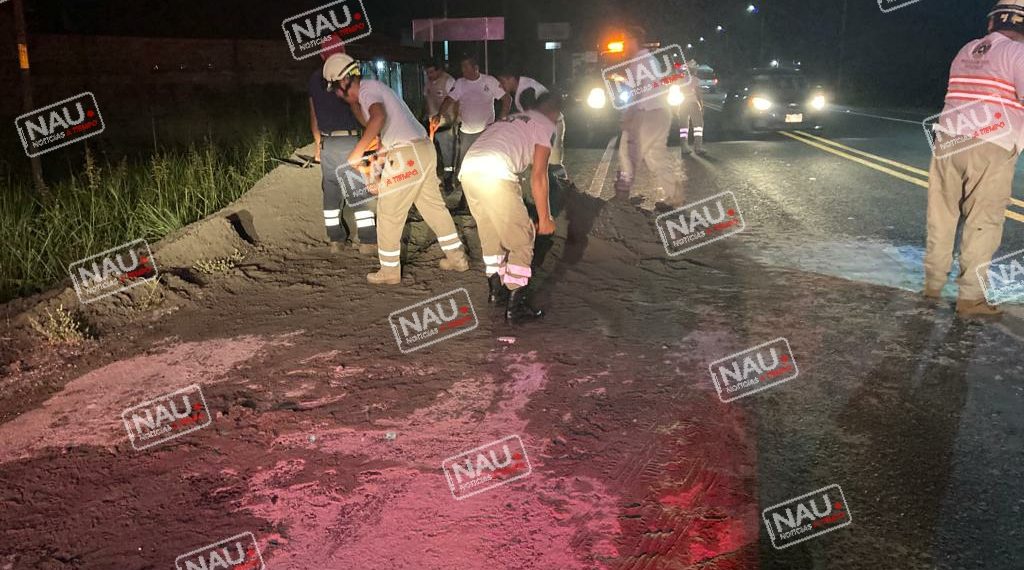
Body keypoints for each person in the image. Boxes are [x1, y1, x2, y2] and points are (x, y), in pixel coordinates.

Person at [323, 53, 469, 285]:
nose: (339, 97)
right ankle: (457, 257)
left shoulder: (367, 90)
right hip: (423, 150)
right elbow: (376, 127)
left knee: (389, 213)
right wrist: (377, 170)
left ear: (341, 82)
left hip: (407, 154)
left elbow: (377, 118)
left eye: (337, 91)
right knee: (434, 208)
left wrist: (357, 153)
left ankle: (389, 270)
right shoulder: (373, 90)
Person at [924, 0, 1024, 317]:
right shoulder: (1018, 54)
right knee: (983, 220)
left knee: (942, 215)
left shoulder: (966, 50)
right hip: (991, 142)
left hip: (948, 140)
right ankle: (970, 299)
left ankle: (932, 286)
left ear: (992, 22)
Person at [458, 92, 562, 324]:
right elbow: (539, 176)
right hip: (496, 172)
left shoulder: (513, 119)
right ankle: (516, 308)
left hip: (469, 171)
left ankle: (497, 293)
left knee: (491, 234)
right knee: (522, 239)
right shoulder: (545, 125)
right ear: (554, 112)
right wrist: (545, 218)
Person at [308, 35, 376, 254]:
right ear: (344, 51)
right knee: (357, 191)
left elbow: (314, 116)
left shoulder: (314, 79)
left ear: (321, 55)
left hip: (328, 142)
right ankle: (367, 241)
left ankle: (335, 240)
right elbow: (361, 105)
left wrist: (318, 144)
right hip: (350, 141)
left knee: (331, 192)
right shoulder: (351, 75)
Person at [613, 27, 684, 211]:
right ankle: (673, 196)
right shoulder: (650, 59)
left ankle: (622, 194)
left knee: (627, 151)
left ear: (633, 40)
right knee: (655, 157)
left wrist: (628, 117)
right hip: (661, 113)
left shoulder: (639, 60)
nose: (624, 45)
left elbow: (638, 93)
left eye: (625, 40)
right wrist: (622, 79)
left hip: (649, 113)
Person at [430, 55, 511, 178]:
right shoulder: (460, 83)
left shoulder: (489, 81)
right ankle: (464, 191)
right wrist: (439, 114)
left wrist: (501, 120)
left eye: (466, 67)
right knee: (465, 163)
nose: (463, 71)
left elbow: (507, 99)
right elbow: (449, 100)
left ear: (476, 68)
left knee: (486, 161)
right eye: (462, 67)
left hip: (486, 130)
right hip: (466, 131)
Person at [496, 70, 570, 184]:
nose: (500, 85)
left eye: (502, 81)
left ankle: (564, 190)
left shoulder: (525, 92)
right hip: (549, 123)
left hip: (551, 125)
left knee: (552, 162)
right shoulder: (524, 85)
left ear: (511, 79)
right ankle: (553, 189)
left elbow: (533, 118)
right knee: (543, 162)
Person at [423, 60, 457, 185]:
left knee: (447, 151)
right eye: (427, 72)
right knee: (433, 151)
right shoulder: (428, 84)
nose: (429, 75)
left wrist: (453, 120)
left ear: (439, 70)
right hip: (432, 123)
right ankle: (436, 175)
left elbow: (455, 101)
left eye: (432, 72)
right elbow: (427, 100)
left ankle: (449, 178)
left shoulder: (449, 81)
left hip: (446, 123)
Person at [678, 58, 706, 156]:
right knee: (698, 125)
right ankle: (697, 147)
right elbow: (698, 94)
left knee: (684, 126)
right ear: (693, 70)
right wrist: (701, 105)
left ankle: (684, 146)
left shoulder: (680, 80)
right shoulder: (695, 80)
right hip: (693, 103)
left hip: (683, 103)